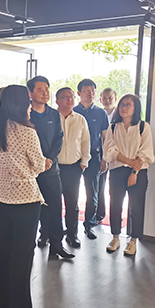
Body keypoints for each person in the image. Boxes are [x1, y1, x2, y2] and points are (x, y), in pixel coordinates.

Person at [0, 85, 46, 308]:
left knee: (3, 250)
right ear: (21, 104)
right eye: (28, 101)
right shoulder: (26, 132)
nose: (31, 105)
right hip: (25, 199)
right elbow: (39, 166)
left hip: (2, 195)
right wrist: (40, 164)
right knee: (22, 256)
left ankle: (2, 304)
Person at [27, 76, 74, 259]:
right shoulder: (25, 114)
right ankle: (31, 245)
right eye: (40, 89)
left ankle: (57, 245)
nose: (45, 92)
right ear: (30, 93)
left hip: (50, 169)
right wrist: (38, 160)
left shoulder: (54, 114)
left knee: (55, 207)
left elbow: (58, 139)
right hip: (31, 170)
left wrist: (48, 159)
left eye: (47, 88)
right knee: (33, 209)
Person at [102, 94, 154, 256]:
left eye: (128, 105)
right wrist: (129, 161)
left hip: (138, 173)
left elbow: (145, 152)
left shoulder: (143, 127)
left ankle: (133, 240)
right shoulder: (113, 127)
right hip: (117, 171)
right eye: (122, 105)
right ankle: (115, 237)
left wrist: (134, 171)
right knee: (115, 205)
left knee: (136, 207)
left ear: (135, 107)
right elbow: (110, 151)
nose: (124, 108)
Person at [74, 79, 109, 240]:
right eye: (86, 91)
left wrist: (104, 159)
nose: (90, 94)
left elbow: (105, 138)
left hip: (94, 157)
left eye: (93, 91)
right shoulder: (72, 111)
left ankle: (89, 224)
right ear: (79, 93)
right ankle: (71, 226)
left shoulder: (101, 113)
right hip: (74, 158)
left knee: (92, 192)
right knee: (72, 192)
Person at [56, 87, 91, 248]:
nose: (70, 99)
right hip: (54, 167)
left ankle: (72, 235)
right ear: (57, 100)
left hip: (73, 167)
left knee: (72, 204)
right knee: (52, 204)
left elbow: (85, 142)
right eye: (65, 97)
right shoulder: (52, 118)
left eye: (71, 96)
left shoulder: (80, 119)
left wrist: (84, 162)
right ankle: (49, 234)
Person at [96, 87, 117, 224]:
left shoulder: (120, 114)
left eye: (110, 98)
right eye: (104, 98)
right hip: (102, 154)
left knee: (114, 189)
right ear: (100, 99)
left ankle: (116, 218)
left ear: (115, 99)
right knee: (100, 185)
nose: (107, 100)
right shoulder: (99, 113)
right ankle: (99, 214)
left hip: (117, 156)